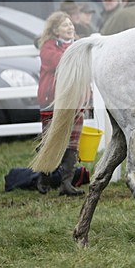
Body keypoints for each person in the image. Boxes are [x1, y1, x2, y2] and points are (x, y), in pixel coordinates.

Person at [36, 11, 85, 196]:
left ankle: (67, 183)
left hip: (75, 100)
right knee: (51, 140)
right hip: (53, 101)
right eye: (65, 25)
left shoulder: (78, 45)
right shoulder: (48, 47)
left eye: (71, 24)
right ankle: (44, 177)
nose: (70, 27)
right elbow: (59, 62)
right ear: (55, 30)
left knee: (73, 142)